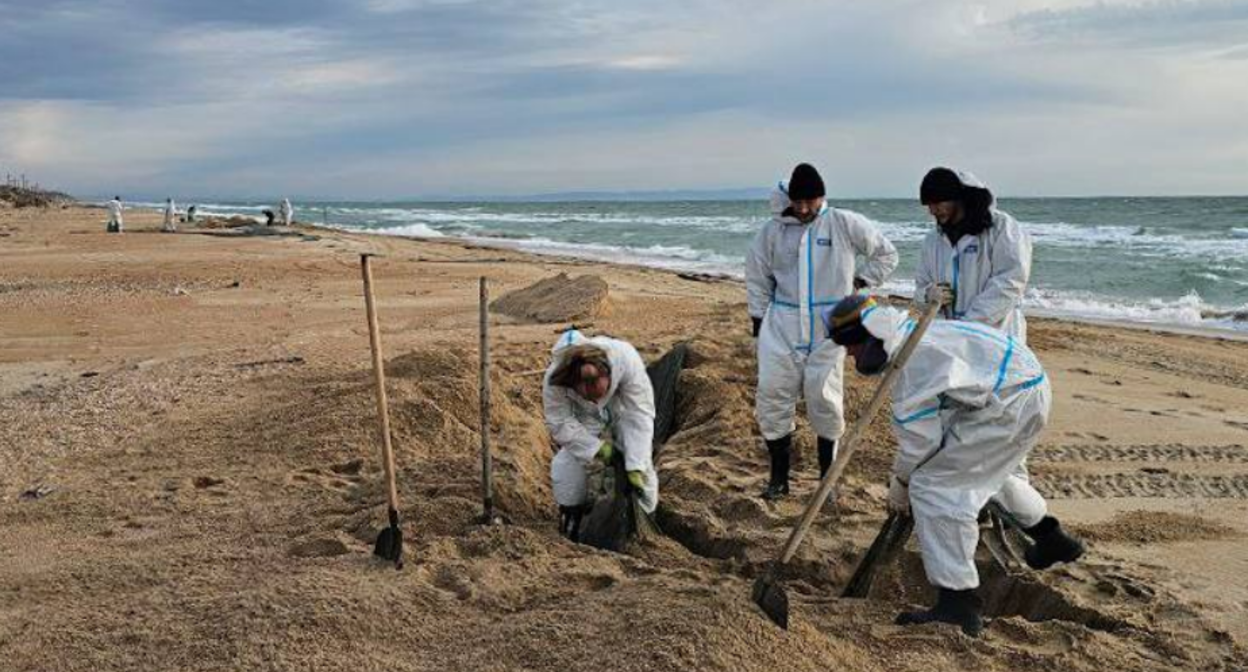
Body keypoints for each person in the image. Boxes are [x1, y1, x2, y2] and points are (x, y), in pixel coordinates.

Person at [826, 294, 1084, 636]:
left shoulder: (912, 366)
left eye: (852, 347)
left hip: (1006, 406)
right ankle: (1052, 539)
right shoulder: (921, 332)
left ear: (870, 338)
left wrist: (901, 486)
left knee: (936, 489)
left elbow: (921, 445)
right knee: (984, 474)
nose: (850, 355)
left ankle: (958, 605)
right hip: (1025, 387)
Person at [746, 163, 899, 500]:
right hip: (782, 324)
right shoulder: (772, 232)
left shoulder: (843, 223)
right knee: (773, 396)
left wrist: (862, 282)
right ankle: (778, 479)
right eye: (797, 202)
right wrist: (758, 319)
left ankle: (826, 480)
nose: (803, 209)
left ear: (822, 197)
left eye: (810, 202)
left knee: (824, 398)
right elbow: (757, 276)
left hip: (831, 326)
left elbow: (887, 254)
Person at [543, 330, 658, 541]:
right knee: (568, 467)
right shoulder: (555, 379)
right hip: (584, 416)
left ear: (606, 371)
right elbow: (560, 423)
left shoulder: (624, 357)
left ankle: (644, 521)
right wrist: (597, 450)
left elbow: (639, 413)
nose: (592, 395)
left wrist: (635, 464)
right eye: (584, 389)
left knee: (643, 469)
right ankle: (571, 519)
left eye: (595, 388)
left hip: (620, 405)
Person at [914, 167, 1032, 343]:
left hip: (994, 336)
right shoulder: (933, 241)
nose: (932, 211)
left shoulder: (1002, 229)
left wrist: (969, 325)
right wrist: (927, 295)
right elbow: (921, 287)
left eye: (937, 203)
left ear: (959, 199)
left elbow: (1010, 283)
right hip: (950, 338)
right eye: (929, 205)